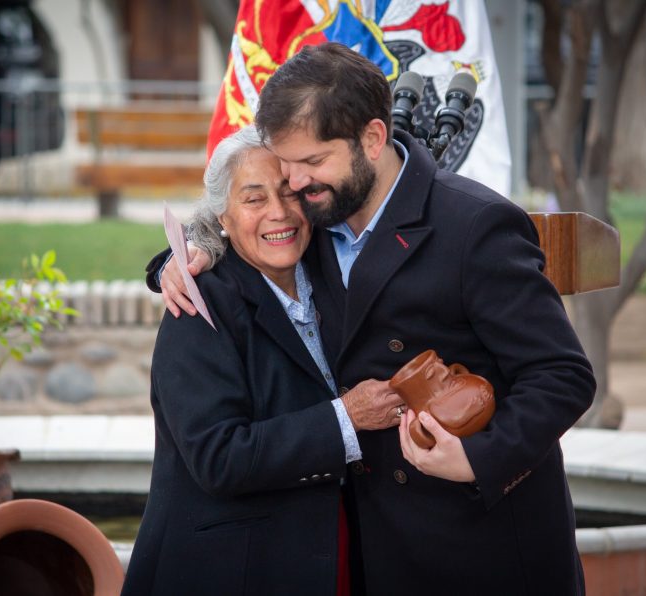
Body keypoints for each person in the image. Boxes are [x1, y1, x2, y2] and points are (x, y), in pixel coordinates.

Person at [148, 43, 596, 594]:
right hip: (376, 550)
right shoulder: (316, 215)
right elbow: (250, 235)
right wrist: (185, 253)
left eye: (311, 163)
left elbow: (564, 375)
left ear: (373, 139)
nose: (295, 186)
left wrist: (478, 457)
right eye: (287, 165)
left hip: (481, 546)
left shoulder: (475, 226)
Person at [123, 125, 405, 595]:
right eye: (253, 200)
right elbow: (219, 457)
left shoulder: (332, 278)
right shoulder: (198, 308)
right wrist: (346, 419)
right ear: (223, 220)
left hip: (327, 554)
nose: (279, 212)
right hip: (229, 572)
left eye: (290, 193)